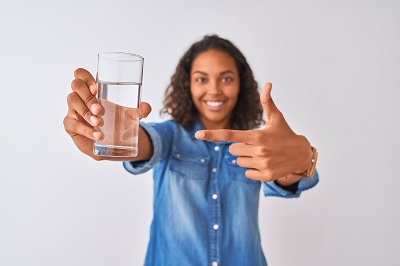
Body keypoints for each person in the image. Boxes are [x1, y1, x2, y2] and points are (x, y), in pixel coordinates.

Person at [64, 35, 319, 266]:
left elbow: (284, 175)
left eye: (227, 78)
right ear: (188, 85)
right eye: (201, 79)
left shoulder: (257, 143)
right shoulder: (170, 135)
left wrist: (301, 158)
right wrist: (105, 131)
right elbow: (139, 143)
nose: (214, 89)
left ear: (242, 85)